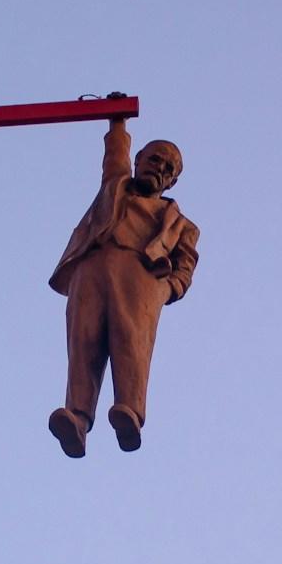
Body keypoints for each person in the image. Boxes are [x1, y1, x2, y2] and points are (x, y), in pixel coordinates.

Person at [47, 105, 199, 457]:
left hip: (140, 275)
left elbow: (185, 266)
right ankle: (78, 418)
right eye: (155, 159)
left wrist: (167, 288)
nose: (159, 168)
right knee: (83, 340)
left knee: (131, 341)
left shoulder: (183, 226)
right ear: (139, 159)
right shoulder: (114, 188)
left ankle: (130, 411)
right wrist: (118, 122)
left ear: (172, 181)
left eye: (168, 168)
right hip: (93, 266)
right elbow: (114, 154)